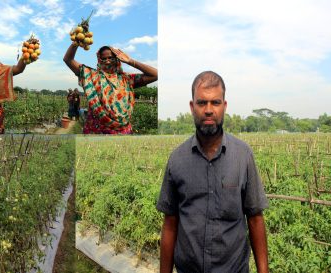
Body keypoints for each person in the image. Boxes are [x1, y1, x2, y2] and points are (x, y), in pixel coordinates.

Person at [156, 71, 269, 273]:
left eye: (215, 103)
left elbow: (255, 218)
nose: (209, 110)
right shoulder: (177, 159)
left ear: (224, 106)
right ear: (192, 107)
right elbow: (170, 224)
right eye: (202, 103)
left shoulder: (243, 156)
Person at [63, 43, 157, 134]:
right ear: (99, 60)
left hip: (123, 132)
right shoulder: (91, 76)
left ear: (117, 59)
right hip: (96, 132)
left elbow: (155, 74)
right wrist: (75, 44)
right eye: (104, 58)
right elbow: (68, 59)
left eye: (110, 58)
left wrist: (130, 61)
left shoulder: (127, 79)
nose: (107, 61)